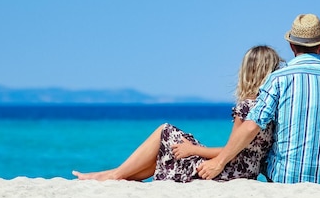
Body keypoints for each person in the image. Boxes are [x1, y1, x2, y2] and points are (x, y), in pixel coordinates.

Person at [72, 45, 283, 182]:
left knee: (165, 132)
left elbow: (232, 151)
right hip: (247, 173)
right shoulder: (271, 107)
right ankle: (116, 175)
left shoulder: (247, 107)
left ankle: (114, 174)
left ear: (248, 71)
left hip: (229, 172)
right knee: (168, 152)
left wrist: (194, 149)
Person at [197, 14, 320, 184]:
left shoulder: (279, 78)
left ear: (292, 45)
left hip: (284, 177)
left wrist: (219, 163)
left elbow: (252, 126)